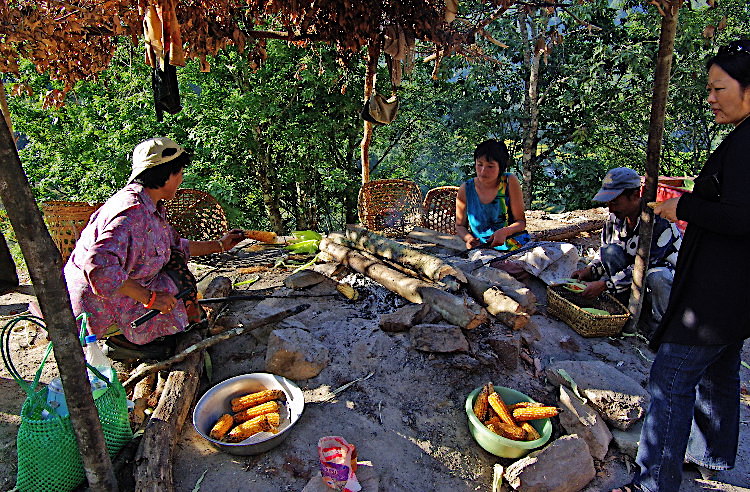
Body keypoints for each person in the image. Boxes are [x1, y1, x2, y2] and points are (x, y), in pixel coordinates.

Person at [614, 39, 750, 492]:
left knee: (670, 375)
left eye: (718, 87)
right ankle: (713, 458)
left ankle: (653, 482)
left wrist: (684, 207)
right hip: (734, 291)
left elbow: (742, 216)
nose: (710, 97)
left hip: (718, 291)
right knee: (719, 370)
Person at [63, 137, 244, 358]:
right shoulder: (131, 213)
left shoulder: (150, 205)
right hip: (99, 301)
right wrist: (149, 297)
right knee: (176, 292)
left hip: (122, 285)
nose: (182, 178)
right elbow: (99, 267)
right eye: (179, 172)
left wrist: (220, 245)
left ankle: (138, 335)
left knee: (179, 279)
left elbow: (175, 247)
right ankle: (123, 340)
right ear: (167, 175)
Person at [571, 167, 681, 337]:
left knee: (657, 276)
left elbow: (643, 267)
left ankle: (659, 328)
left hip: (662, 285)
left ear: (635, 195)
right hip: (628, 282)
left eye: (615, 202)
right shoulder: (615, 218)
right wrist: (589, 270)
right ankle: (623, 308)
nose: (610, 208)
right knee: (610, 251)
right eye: (608, 203)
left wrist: (605, 285)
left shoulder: (660, 222)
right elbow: (604, 252)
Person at [456, 139, 579, 283]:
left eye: (490, 166)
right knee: (486, 265)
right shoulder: (466, 189)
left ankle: (518, 270)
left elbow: (521, 222)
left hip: (518, 246)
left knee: (569, 250)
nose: (483, 171)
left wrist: (505, 231)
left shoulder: (509, 181)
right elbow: (460, 226)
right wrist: (468, 239)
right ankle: (525, 271)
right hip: (485, 251)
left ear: (501, 167)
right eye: (479, 165)